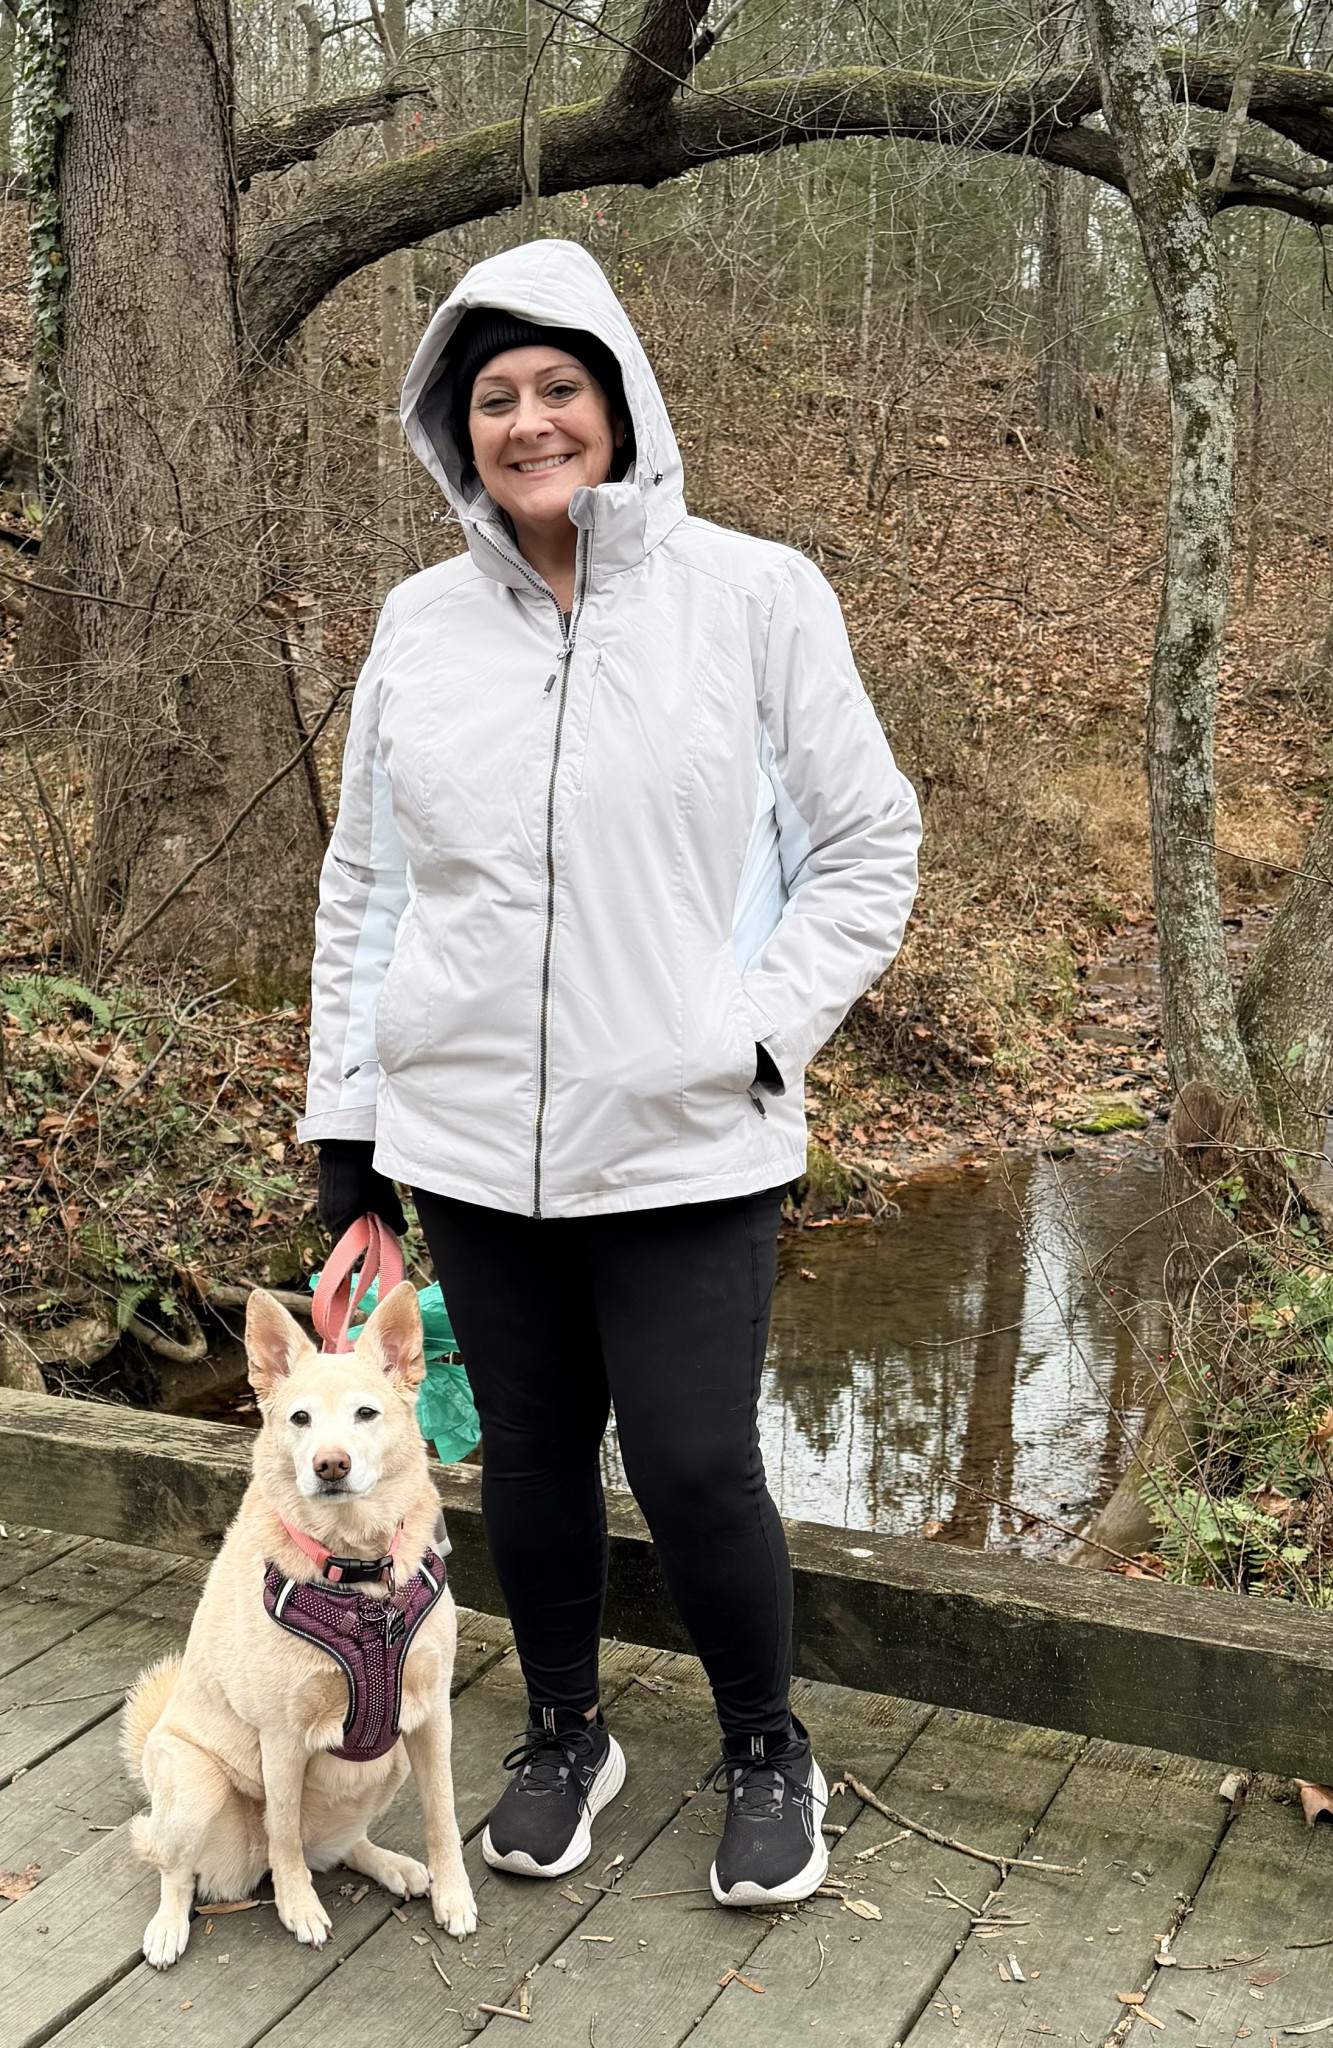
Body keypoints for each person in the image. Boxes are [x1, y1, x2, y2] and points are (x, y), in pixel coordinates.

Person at [299, 239, 920, 1909]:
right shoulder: (419, 627)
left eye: (558, 386)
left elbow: (870, 847)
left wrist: (750, 1032)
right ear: (457, 432)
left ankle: (767, 1745)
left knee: (699, 1461)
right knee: (528, 1456)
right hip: (464, 1139)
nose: (529, 422)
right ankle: (566, 1732)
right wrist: (347, 1134)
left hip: (687, 1137)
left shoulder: (756, 597)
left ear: (620, 400)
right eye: (494, 398)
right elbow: (368, 888)